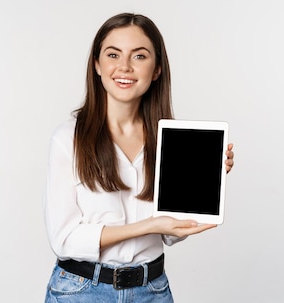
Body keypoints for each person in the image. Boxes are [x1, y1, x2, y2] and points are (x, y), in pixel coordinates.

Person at [43, 13, 234, 302]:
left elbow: (170, 233)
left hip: (152, 291)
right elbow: (64, 240)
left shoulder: (172, 142)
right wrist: (149, 226)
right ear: (97, 64)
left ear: (156, 69)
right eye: (113, 54)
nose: (124, 67)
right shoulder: (68, 139)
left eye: (139, 56)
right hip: (81, 291)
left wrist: (203, 183)